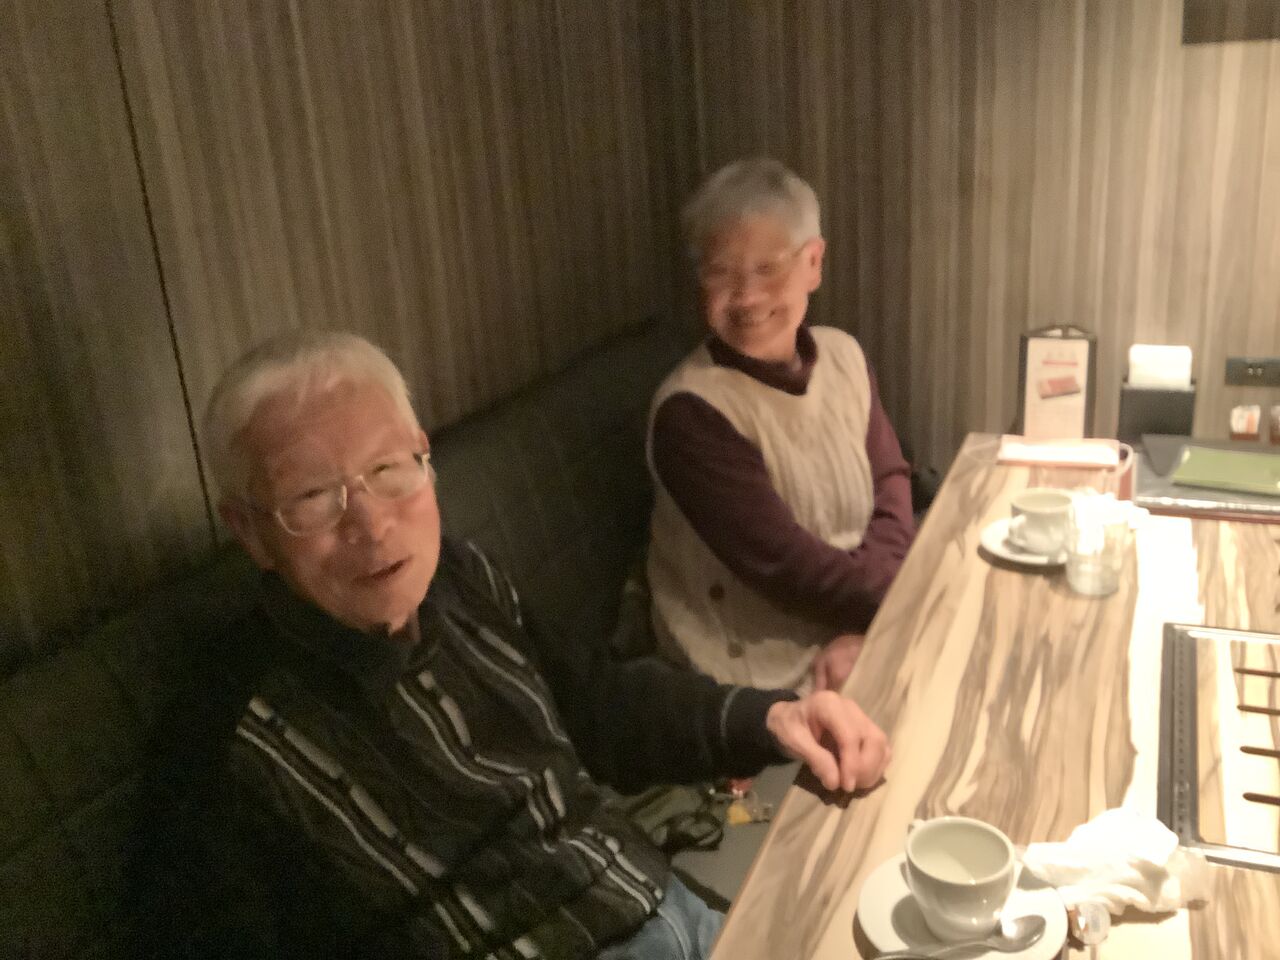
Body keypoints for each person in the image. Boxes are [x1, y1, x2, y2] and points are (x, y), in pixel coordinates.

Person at [127, 330, 891, 960]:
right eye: (313, 498)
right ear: (250, 531)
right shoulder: (225, 744)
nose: (371, 525)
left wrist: (771, 718)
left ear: (423, 457)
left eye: (388, 470)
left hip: (664, 904)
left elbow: (596, 703)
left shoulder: (460, 575)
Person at [647, 158, 915, 696]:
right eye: (721, 272)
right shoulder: (691, 412)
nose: (746, 296)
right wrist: (901, 601)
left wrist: (874, 616)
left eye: (767, 268)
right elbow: (787, 570)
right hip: (751, 666)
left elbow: (890, 482)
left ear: (813, 263)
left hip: (852, 611)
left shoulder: (842, 355)